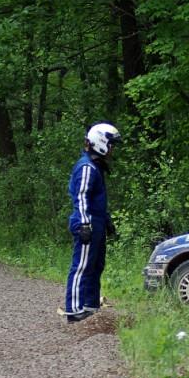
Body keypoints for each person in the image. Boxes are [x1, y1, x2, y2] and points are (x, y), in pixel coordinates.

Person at [62, 122, 121, 323]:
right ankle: (74, 310)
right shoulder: (86, 167)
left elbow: (97, 200)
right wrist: (85, 224)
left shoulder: (96, 166)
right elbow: (81, 197)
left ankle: (90, 305)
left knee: (96, 265)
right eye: (111, 144)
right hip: (86, 223)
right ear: (101, 142)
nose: (112, 149)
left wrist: (106, 221)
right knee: (82, 265)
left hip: (96, 222)